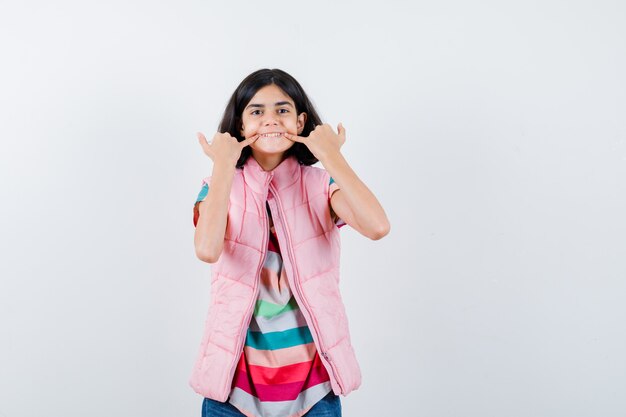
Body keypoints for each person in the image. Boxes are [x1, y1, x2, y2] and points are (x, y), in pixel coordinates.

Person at [191, 68, 390, 417]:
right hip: (232, 389)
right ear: (240, 126)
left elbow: (377, 226)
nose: (271, 120)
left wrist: (332, 156)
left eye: (282, 110)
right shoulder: (218, 184)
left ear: (300, 122)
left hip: (313, 388)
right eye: (256, 111)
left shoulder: (320, 185)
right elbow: (207, 249)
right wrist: (223, 165)